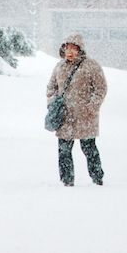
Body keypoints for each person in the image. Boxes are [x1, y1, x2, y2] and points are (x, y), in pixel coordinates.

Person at [48, 34, 107, 187]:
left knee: (89, 149)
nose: (70, 51)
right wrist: (53, 103)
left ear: (80, 50)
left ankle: (97, 178)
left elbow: (101, 89)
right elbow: (51, 87)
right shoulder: (59, 66)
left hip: (85, 118)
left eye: (74, 48)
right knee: (64, 151)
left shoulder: (91, 65)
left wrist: (91, 107)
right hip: (65, 117)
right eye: (68, 47)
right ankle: (67, 180)